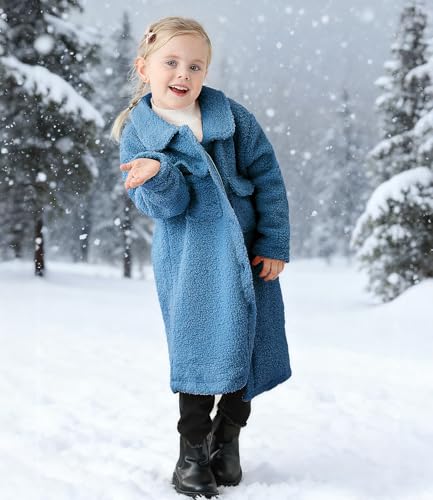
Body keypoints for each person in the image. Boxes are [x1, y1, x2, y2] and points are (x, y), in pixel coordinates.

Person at [111, 16, 292, 498]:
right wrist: (159, 174)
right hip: (191, 262)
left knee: (248, 346)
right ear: (144, 68)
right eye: (171, 62)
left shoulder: (232, 120)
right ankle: (191, 452)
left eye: (195, 66)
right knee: (199, 351)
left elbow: (269, 179)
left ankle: (226, 438)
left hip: (246, 255)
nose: (183, 74)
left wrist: (273, 243)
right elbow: (166, 208)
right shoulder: (140, 134)